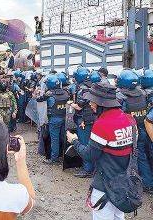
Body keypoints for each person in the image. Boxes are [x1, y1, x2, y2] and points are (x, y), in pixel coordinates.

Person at [67, 82, 135, 220]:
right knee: (118, 217)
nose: (90, 104)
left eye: (93, 101)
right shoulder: (128, 119)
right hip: (123, 184)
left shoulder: (102, 125)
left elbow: (89, 155)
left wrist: (74, 141)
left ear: (102, 103)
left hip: (105, 184)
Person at [116, 69, 152, 193]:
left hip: (128, 131)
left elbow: (119, 115)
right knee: (141, 156)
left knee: (128, 158)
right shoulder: (143, 93)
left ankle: (131, 183)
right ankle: (147, 183)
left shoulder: (121, 96)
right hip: (142, 129)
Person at [39, 74, 69, 164]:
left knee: (54, 139)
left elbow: (39, 99)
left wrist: (44, 94)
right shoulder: (66, 93)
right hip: (64, 118)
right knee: (63, 137)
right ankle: (63, 156)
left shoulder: (50, 95)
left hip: (54, 119)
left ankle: (54, 158)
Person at [71, 67, 95, 178]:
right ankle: (92, 168)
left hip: (84, 120)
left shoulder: (82, 89)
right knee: (92, 144)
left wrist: (70, 104)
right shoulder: (93, 85)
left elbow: (79, 107)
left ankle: (87, 169)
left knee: (84, 144)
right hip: (93, 119)